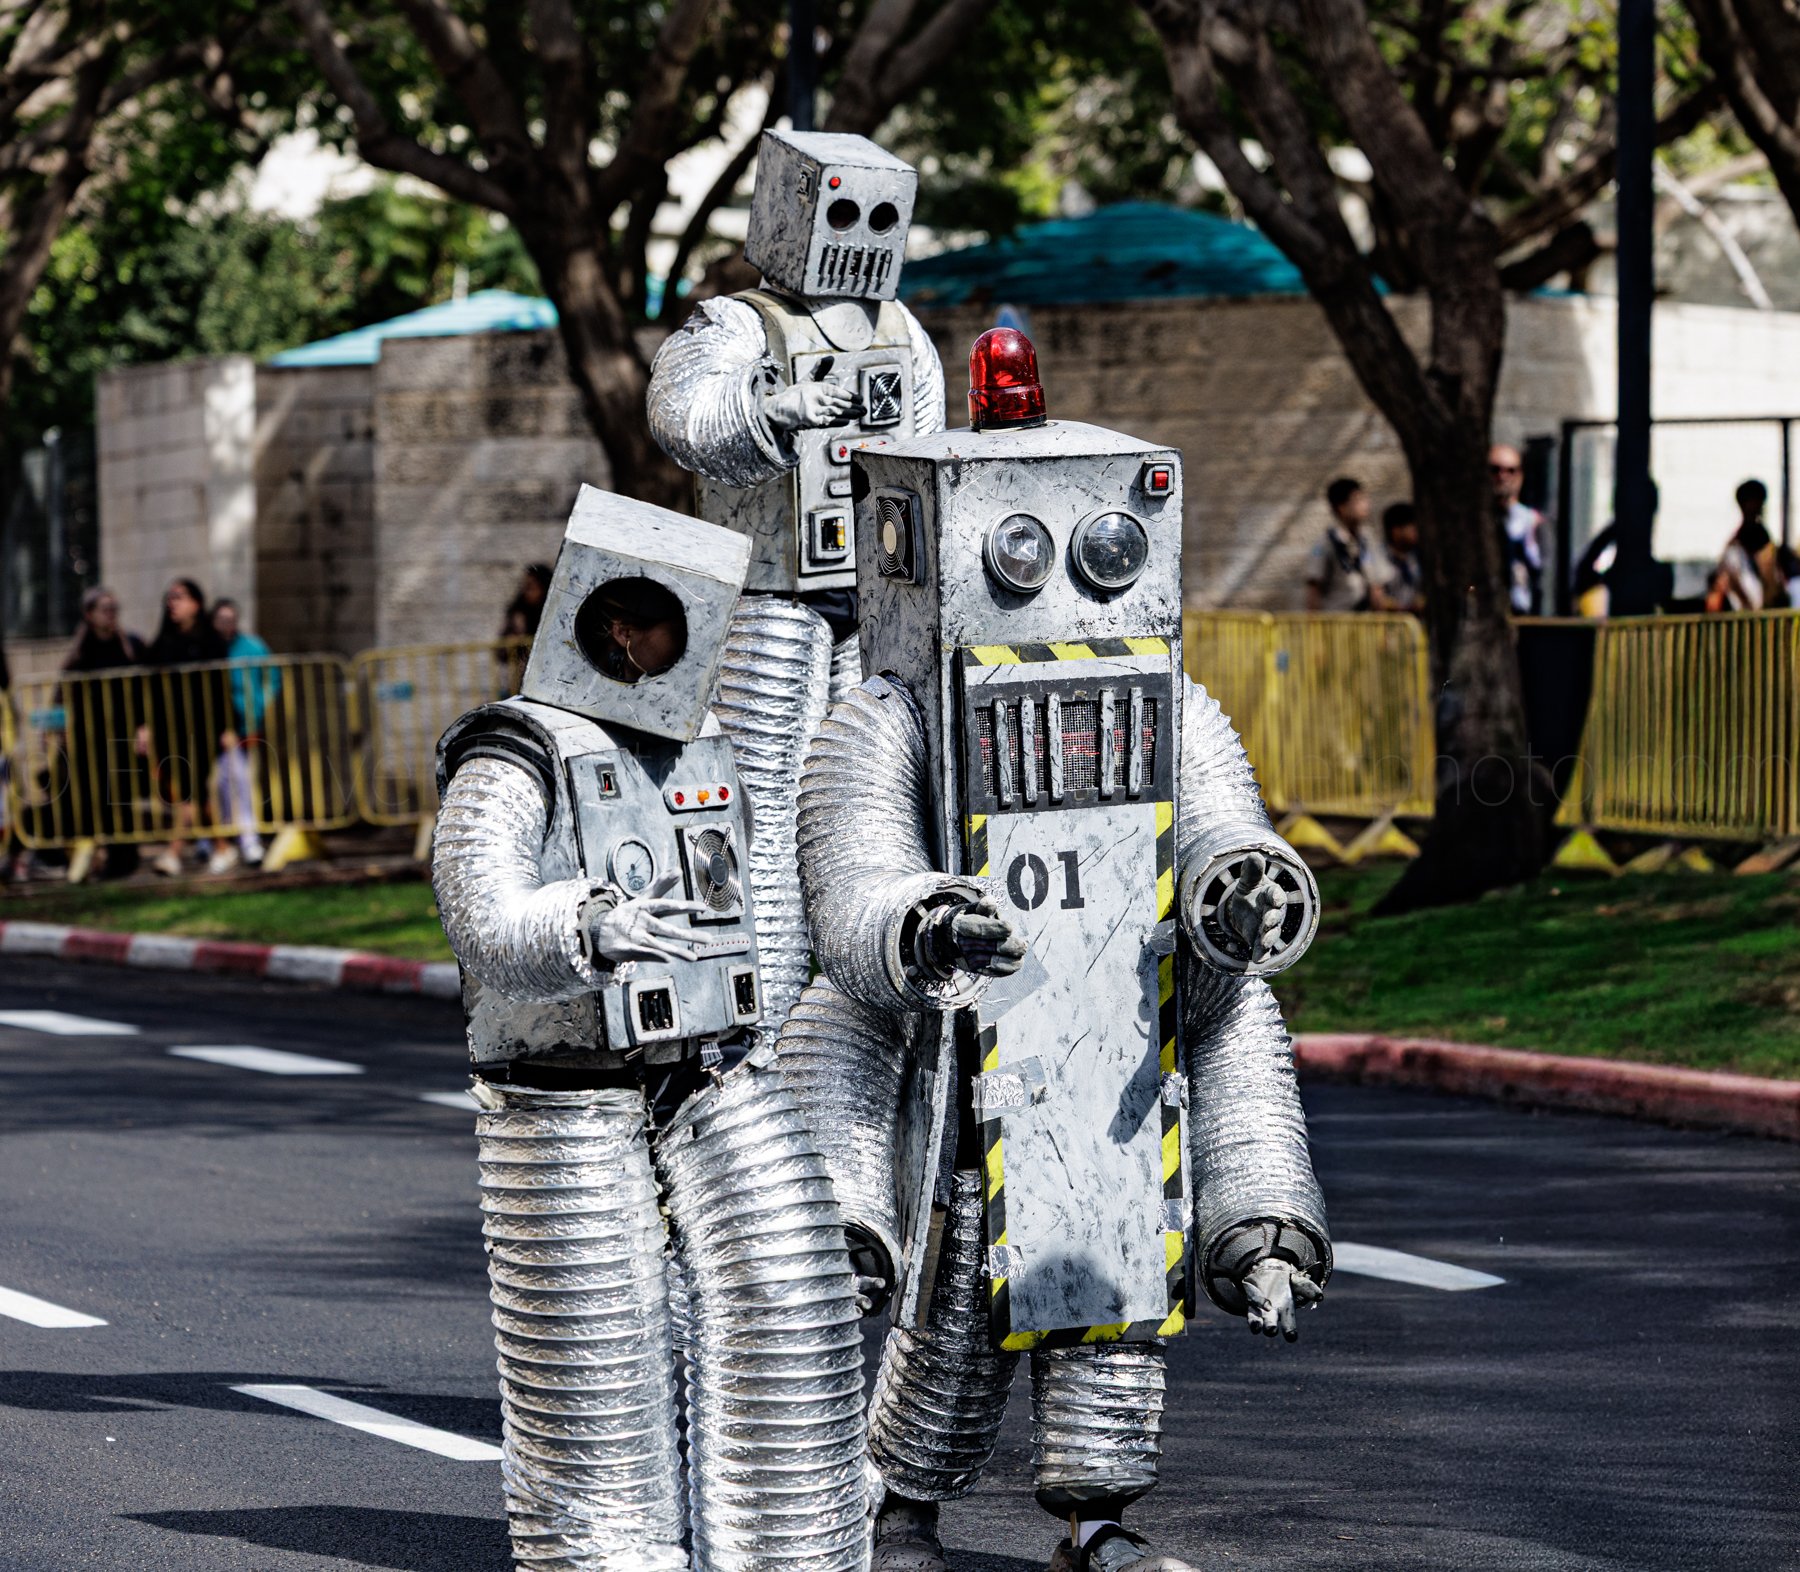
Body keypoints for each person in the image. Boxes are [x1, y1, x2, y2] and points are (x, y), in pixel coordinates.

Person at [432, 486, 868, 1572]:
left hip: (711, 1069)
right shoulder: (518, 747)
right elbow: (480, 911)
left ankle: (793, 1552)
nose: (702, 642)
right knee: (600, 1360)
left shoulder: (700, 745)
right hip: (565, 1092)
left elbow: (748, 893)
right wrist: (588, 923)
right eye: (684, 619)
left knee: (792, 1294)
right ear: (621, 626)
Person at [647, 129, 947, 1041]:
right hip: (771, 598)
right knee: (761, 805)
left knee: (865, 803)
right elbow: (684, 418)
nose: (860, 235)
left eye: (879, 216)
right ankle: (760, 1020)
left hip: (874, 599)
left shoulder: (903, 330)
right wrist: (774, 406)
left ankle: (860, 1024)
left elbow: (933, 449)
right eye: (844, 210)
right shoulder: (740, 325)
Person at [141, 577, 231, 878]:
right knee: (194, 795)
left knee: (189, 794)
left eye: (179, 597)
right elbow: (148, 688)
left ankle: (174, 852)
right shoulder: (163, 642)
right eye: (170, 597)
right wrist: (145, 726)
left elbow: (222, 688)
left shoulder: (211, 642)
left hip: (204, 728)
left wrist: (228, 727)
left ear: (196, 602)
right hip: (171, 729)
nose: (172, 603)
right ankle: (222, 846)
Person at [57, 587, 147, 878]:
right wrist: (59, 730)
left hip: (121, 733)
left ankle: (124, 858)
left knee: (120, 794)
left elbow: (145, 690)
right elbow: (62, 694)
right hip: (88, 737)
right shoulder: (80, 653)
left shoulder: (131, 647)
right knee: (94, 797)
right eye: (104, 608)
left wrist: (144, 727)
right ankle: (97, 856)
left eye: (114, 607)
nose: (110, 613)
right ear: (89, 614)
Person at [210, 599, 276, 871]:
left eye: (232, 618)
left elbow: (271, 678)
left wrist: (258, 708)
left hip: (241, 723)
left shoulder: (251, 646)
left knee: (239, 779)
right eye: (222, 619)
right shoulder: (210, 648)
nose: (228, 624)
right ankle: (218, 840)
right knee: (219, 783)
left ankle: (248, 839)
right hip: (212, 723)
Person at [1705, 480, 1787, 612]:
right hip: (1745, 613)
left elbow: (1774, 582)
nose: (1757, 507)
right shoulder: (1735, 548)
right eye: (1752, 502)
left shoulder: (1764, 540)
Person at [1304, 476, 1383, 611]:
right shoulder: (1326, 543)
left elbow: (1376, 586)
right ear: (1342, 508)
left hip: (1368, 625)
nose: (1365, 505)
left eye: (1365, 499)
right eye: (1358, 500)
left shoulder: (1368, 539)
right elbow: (1314, 589)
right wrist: (1315, 628)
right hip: (1338, 624)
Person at [1490, 444, 1544, 614]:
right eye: (1495, 470)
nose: (1502, 476)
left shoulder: (1533, 521)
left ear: (1520, 476)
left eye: (1510, 470)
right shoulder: (1474, 521)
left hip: (1523, 612)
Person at [1379, 501, 1424, 614]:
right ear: (1396, 531)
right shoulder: (1379, 557)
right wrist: (1401, 607)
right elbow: (1377, 597)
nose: (1417, 532)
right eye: (1412, 527)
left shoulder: (1418, 555)